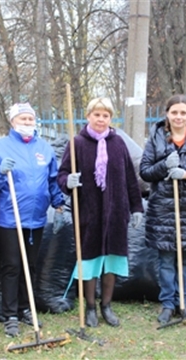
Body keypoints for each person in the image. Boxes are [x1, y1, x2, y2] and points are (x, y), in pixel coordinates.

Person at [57, 97, 144, 328]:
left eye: (105, 115)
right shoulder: (77, 143)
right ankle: (91, 307)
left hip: (116, 213)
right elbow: (62, 174)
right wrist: (69, 181)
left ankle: (106, 305)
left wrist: (136, 207)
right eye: (97, 115)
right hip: (89, 213)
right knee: (90, 261)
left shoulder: (118, 144)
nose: (101, 119)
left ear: (110, 119)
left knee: (112, 260)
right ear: (88, 116)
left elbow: (130, 179)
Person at [0, 102, 65, 337]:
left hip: (36, 220)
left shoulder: (44, 148)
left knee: (30, 266)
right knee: (11, 267)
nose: (27, 123)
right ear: (13, 122)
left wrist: (58, 205)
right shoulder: (1, 148)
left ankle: (24, 308)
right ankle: (9, 314)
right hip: (10, 219)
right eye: (23, 119)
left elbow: (52, 180)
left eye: (30, 119)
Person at [139, 94, 186, 325]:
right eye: (174, 112)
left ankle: (185, 303)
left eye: (183, 112)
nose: (179, 117)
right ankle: (168, 305)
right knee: (166, 260)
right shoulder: (156, 138)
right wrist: (164, 166)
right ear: (167, 114)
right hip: (163, 209)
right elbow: (145, 171)